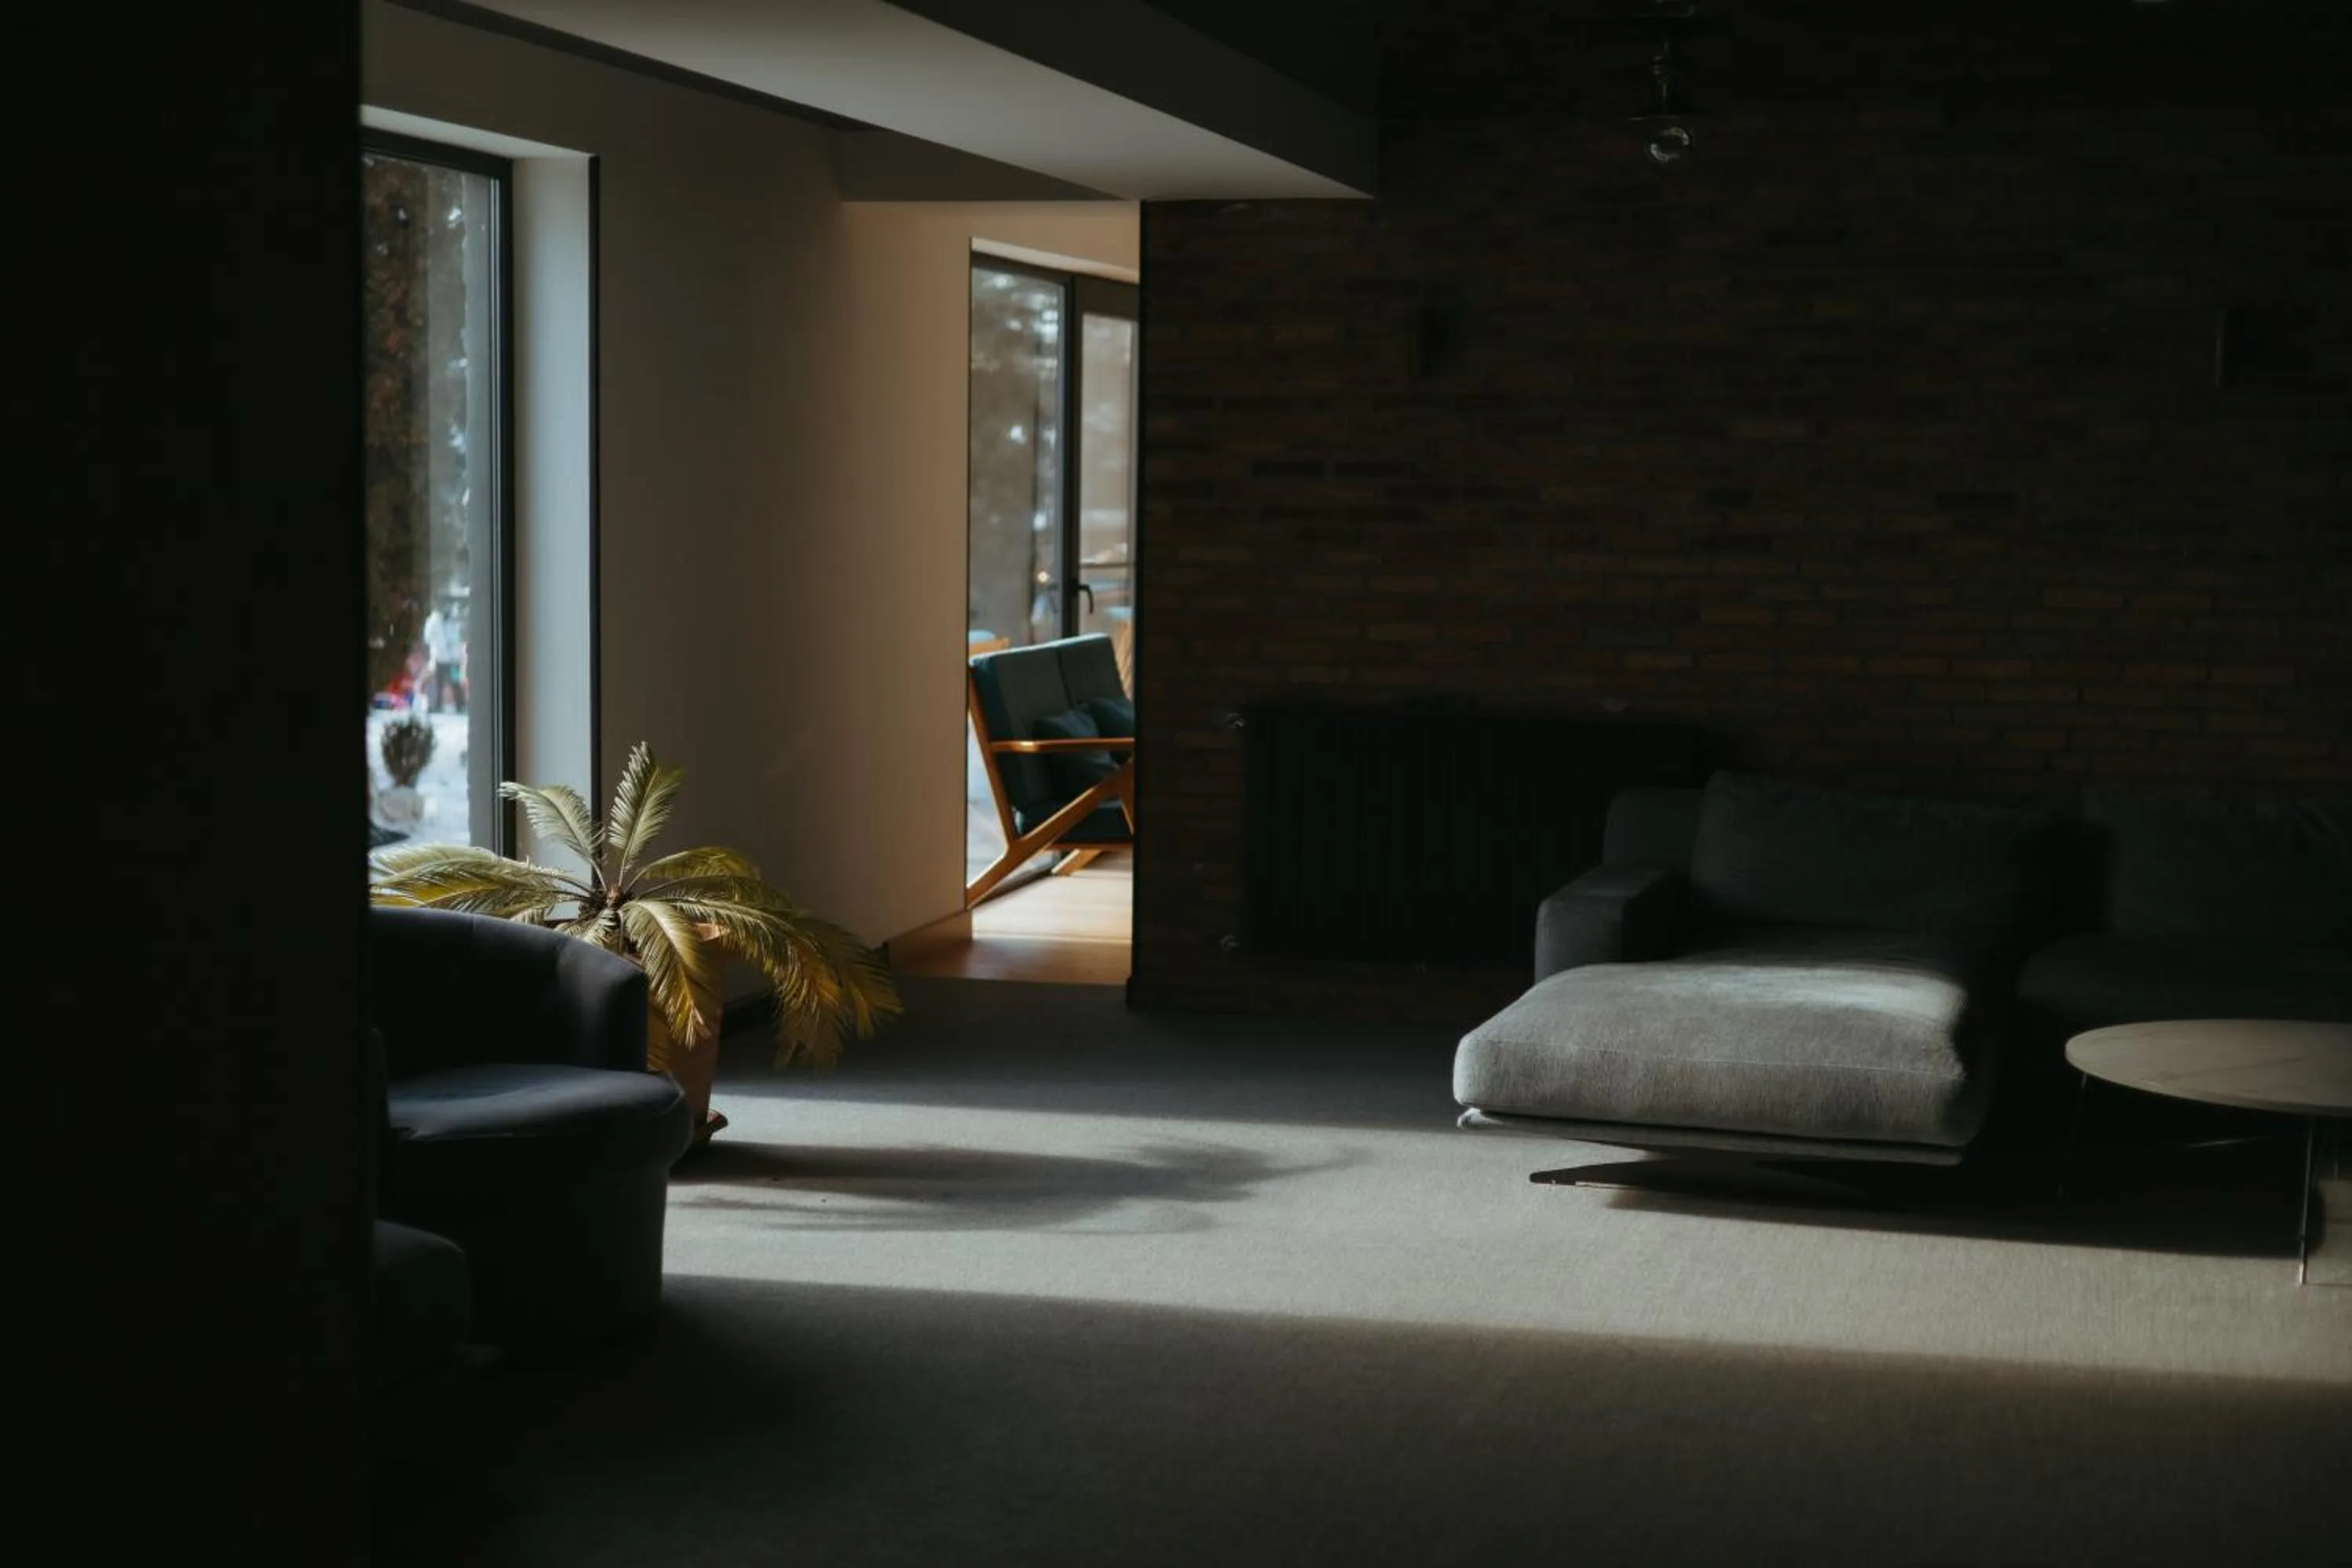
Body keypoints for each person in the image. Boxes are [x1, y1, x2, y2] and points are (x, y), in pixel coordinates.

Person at [422, 601, 466, 713]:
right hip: (439, 658)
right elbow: (427, 637)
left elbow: (458, 637)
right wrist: (438, 645)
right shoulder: (433, 621)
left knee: (455, 682)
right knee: (438, 683)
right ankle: (436, 706)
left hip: (453, 659)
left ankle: (460, 705)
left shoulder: (454, 621)